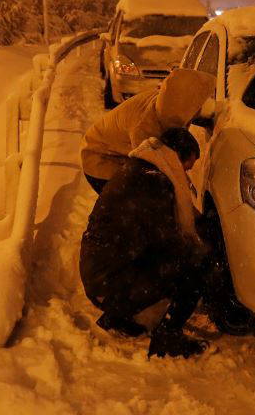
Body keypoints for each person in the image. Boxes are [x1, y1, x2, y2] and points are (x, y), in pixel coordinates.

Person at [79, 127, 213, 358]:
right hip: (108, 284)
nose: (186, 174)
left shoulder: (138, 168)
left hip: (99, 277)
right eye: (186, 167)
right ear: (175, 157)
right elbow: (167, 242)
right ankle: (167, 336)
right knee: (194, 266)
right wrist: (204, 250)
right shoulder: (154, 183)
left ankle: (116, 317)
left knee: (160, 257)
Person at [81, 67, 214, 193]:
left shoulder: (169, 101)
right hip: (101, 159)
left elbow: (193, 110)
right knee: (142, 199)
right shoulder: (146, 128)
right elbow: (150, 170)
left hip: (117, 154)